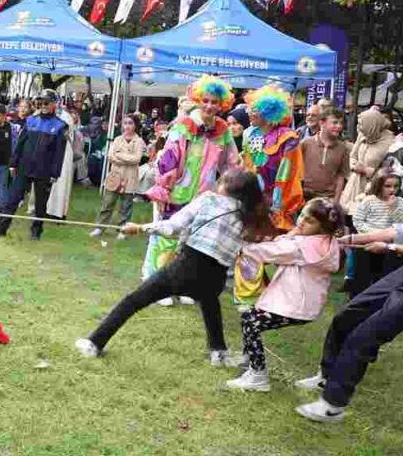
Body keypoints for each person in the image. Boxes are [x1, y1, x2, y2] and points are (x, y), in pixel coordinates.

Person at [75, 169, 270, 365]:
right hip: (215, 277)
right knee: (210, 305)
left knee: (133, 301)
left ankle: (94, 343)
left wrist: (141, 228)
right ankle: (218, 353)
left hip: (187, 268)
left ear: (227, 186)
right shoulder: (250, 217)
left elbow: (173, 226)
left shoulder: (210, 199)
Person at [294, 215, 403, 422]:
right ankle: (326, 376)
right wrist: (351, 239)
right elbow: (400, 232)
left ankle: (332, 406)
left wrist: (390, 249)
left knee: (364, 336)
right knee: (347, 316)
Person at [225, 198, 345, 392]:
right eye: (303, 214)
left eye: (310, 220)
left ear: (323, 228)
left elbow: (271, 251)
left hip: (295, 305)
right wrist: (295, 233)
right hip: (302, 304)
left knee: (250, 320)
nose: (302, 221)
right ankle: (250, 361)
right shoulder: (324, 242)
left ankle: (257, 376)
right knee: (251, 317)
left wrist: (241, 247)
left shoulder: (301, 247)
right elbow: (288, 242)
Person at [143, 77, 241, 305]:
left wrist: (235, 187)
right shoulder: (184, 126)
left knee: (192, 242)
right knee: (166, 238)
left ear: (222, 104)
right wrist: (162, 189)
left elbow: (231, 162)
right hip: (177, 192)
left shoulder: (223, 130)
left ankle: (185, 285)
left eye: (215, 102)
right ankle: (156, 284)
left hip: (204, 196)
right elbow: (168, 160)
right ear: (198, 100)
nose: (209, 106)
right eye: (205, 101)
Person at [0, 90, 68, 241]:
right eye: (40, 102)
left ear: (54, 104)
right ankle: (0, 228)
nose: (43, 106)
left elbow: (59, 153)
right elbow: (20, 144)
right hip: (24, 166)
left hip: (44, 170)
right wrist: (13, 163)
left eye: (47, 103)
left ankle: (36, 231)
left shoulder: (60, 126)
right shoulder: (30, 121)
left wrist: (55, 173)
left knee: (41, 204)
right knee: (12, 199)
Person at [241, 86, 304, 231]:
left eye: (254, 110)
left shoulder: (288, 138)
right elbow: (251, 166)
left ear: (268, 113)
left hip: (281, 199)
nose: (249, 113)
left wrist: (276, 203)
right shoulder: (251, 134)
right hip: (256, 198)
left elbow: (286, 174)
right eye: (250, 108)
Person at [349, 168, 403, 297]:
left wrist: (392, 209)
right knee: (361, 277)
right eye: (387, 186)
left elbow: (402, 225)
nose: (392, 189)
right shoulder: (369, 200)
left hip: (387, 247)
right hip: (367, 245)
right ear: (379, 185)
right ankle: (356, 300)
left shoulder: (400, 202)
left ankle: (378, 303)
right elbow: (358, 221)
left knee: (383, 277)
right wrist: (375, 234)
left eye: (396, 186)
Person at [91, 115, 147, 240]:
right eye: (125, 123)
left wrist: (120, 155)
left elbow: (137, 159)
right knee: (107, 203)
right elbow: (111, 156)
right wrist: (127, 157)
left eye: (130, 123)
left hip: (130, 177)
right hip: (115, 175)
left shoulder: (139, 141)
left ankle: (123, 229)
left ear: (135, 126)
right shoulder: (117, 139)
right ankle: (100, 227)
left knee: (126, 206)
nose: (127, 126)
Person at [338, 107, 395, 217]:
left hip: (373, 187)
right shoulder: (364, 134)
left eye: (361, 124)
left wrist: (366, 170)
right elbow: (353, 155)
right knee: (346, 216)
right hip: (354, 183)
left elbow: (391, 170)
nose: (359, 127)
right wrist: (354, 166)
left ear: (372, 124)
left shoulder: (391, 142)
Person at [300, 111, 350, 201]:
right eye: (335, 123)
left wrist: (336, 200)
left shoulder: (343, 148)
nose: (339, 126)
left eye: (341, 123)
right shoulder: (306, 144)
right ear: (322, 123)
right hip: (304, 196)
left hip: (328, 198)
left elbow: (341, 176)